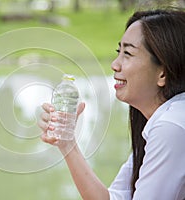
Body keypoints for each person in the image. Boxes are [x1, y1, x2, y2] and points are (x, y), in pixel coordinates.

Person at [38, 9, 185, 200]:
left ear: (163, 73)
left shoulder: (171, 127)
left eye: (128, 53)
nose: (115, 65)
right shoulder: (163, 122)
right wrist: (67, 143)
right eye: (119, 52)